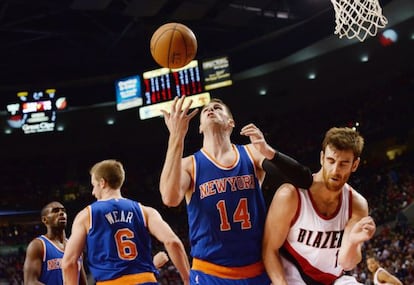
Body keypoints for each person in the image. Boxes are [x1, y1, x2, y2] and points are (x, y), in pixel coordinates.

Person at [159, 96, 312, 284]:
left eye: (217, 108)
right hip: (210, 273)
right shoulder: (189, 165)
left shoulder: (251, 153)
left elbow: (302, 179)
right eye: (207, 109)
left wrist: (267, 150)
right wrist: (176, 137)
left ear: (230, 123)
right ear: (199, 127)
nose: (210, 110)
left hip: (256, 270)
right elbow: (169, 197)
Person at [263, 127, 377, 285]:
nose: (335, 170)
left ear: (355, 165)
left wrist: (353, 242)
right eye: (331, 161)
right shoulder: (291, 195)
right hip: (293, 273)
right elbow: (269, 249)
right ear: (322, 158)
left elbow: (347, 263)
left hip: (334, 279)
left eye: (344, 164)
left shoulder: (357, 204)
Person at [61, 159, 190, 285]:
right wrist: (187, 278)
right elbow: (172, 242)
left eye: (94, 186)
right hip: (146, 280)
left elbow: (69, 262)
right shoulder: (145, 211)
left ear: (102, 183)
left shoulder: (87, 215)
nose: (93, 192)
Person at [23, 201, 87, 285]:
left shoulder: (75, 247)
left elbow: (82, 282)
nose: (61, 213)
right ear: (45, 220)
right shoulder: (38, 245)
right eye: (55, 211)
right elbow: (30, 282)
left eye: (63, 211)